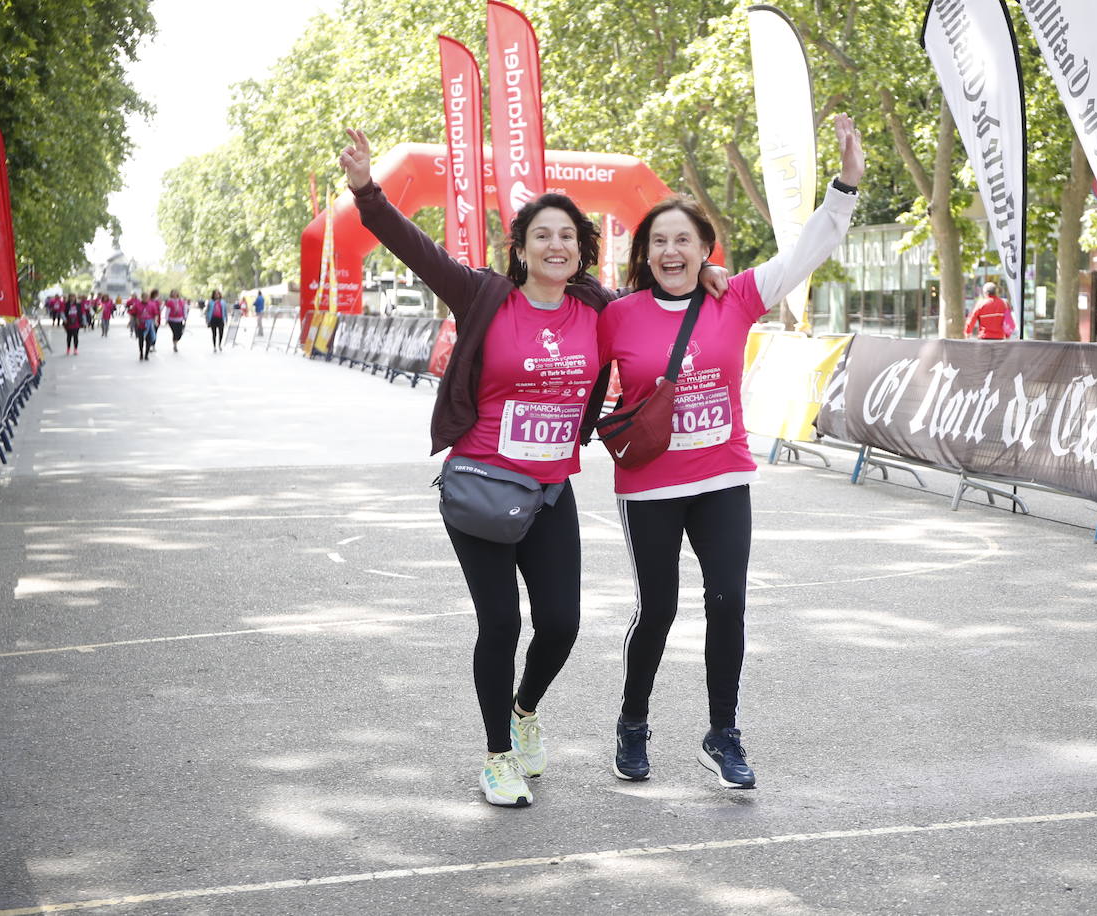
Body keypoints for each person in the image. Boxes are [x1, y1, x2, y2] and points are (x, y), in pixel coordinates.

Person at [339, 125, 728, 809]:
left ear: (582, 251)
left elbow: (665, 306)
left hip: (551, 491)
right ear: (519, 247)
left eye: (569, 237)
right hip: (484, 488)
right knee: (501, 624)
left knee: (562, 623)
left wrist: (710, 276)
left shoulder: (598, 309)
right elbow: (416, 248)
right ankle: (496, 757)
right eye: (542, 235)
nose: (556, 245)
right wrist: (367, 192)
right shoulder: (484, 295)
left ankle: (524, 711)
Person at [598, 113, 865, 791]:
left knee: (728, 602)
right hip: (650, 486)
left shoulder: (737, 297)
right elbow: (569, 360)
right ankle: (633, 723)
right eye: (658, 241)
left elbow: (807, 250)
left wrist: (846, 185)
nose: (670, 251)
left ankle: (723, 732)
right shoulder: (617, 315)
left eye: (683, 240)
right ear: (644, 254)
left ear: (704, 249)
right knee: (656, 610)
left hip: (721, 480)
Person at [135, 292, 159, 360]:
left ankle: (146, 354)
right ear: (141, 297)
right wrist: (136, 321)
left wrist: (156, 321)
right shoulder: (137, 305)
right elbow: (135, 314)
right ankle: (141, 353)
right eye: (144, 297)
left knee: (148, 340)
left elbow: (156, 314)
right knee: (141, 340)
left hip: (149, 325)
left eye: (147, 297)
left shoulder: (152, 305)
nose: (145, 298)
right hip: (141, 325)